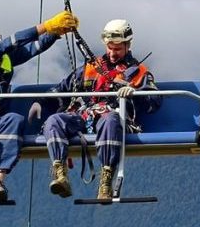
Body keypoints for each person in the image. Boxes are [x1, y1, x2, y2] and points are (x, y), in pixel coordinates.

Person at [0, 10, 79, 203]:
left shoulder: (2, 58)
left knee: (14, 119)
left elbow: (33, 48)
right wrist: (46, 26)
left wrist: (56, 32)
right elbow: (12, 41)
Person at [35, 19, 161, 200]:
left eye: (117, 49)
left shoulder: (139, 73)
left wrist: (135, 93)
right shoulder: (91, 68)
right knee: (54, 121)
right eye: (110, 47)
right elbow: (63, 88)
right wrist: (41, 102)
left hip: (113, 118)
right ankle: (60, 173)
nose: (112, 53)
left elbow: (154, 100)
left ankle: (106, 180)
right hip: (83, 115)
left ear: (127, 45)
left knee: (110, 120)